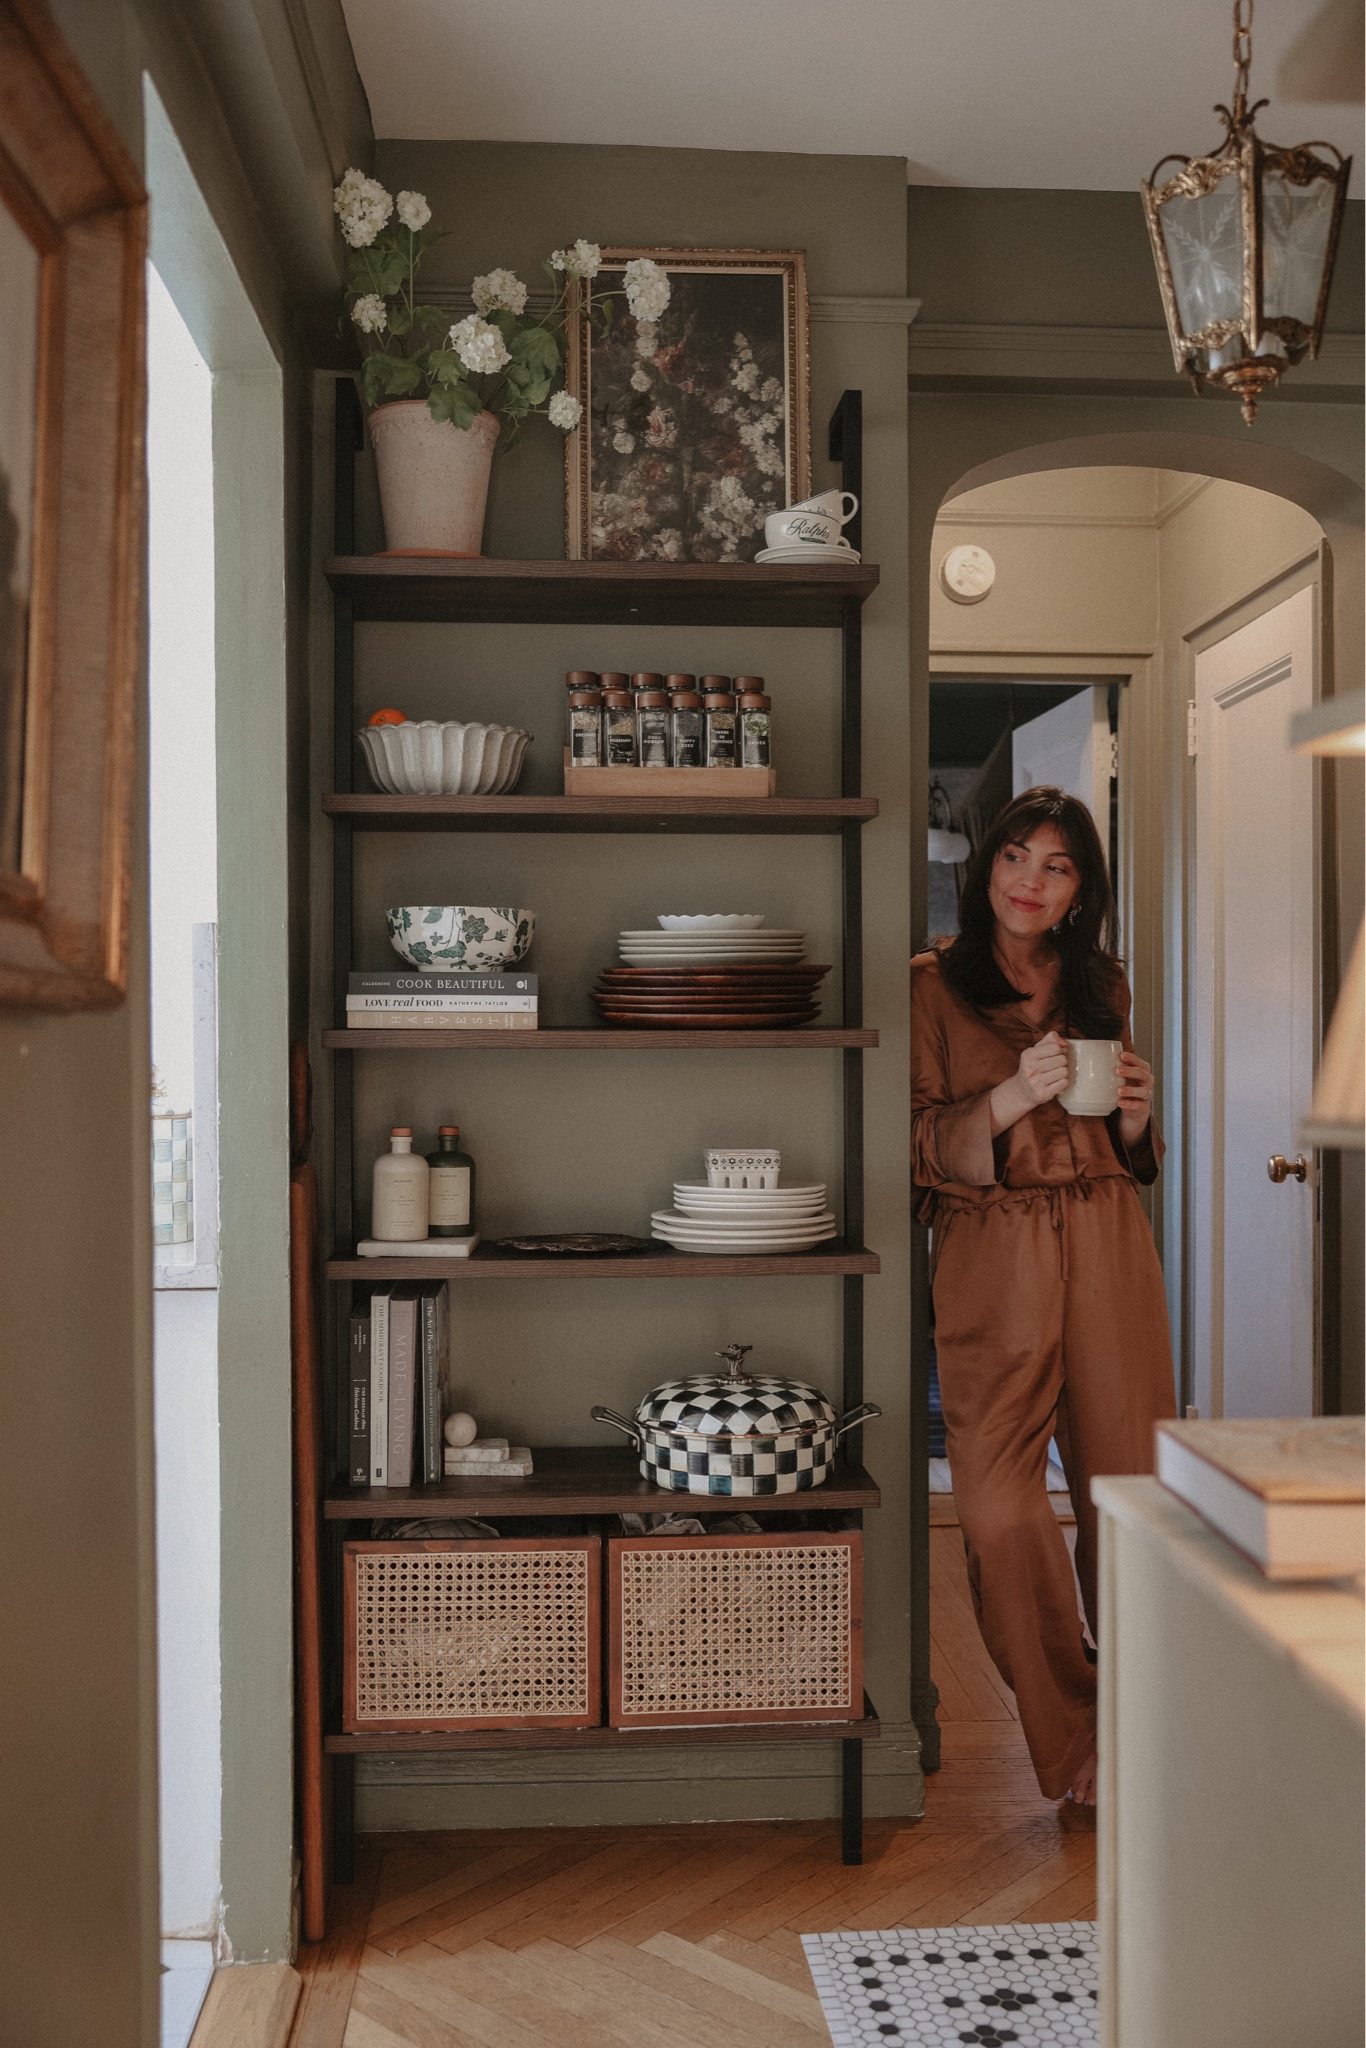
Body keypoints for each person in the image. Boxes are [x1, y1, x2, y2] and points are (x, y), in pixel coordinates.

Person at [911, 786, 1176, 1810]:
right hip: (992, 1247)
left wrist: (1141, 1125)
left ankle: (1140, 1731)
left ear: (1079, 889)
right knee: (999, 1511)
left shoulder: (1097, 979)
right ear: (985, 867)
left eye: (1055, 865)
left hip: (1108, 1238)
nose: (1028, 879)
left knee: (1133, 1498)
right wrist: (1009, 1096)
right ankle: (1072, 1748)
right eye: (1014, 855)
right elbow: (915, 1143)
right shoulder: (932, 985)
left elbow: (1117, 1143)